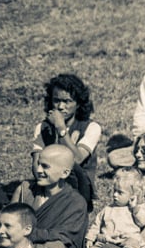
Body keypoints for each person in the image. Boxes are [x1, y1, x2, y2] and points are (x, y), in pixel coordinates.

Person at [10, 144, 89, 248]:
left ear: (64, 173)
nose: (38, 170)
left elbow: (64, 237)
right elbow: (7, 222)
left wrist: (24, 235)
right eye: (38, 164)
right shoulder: (25, 190)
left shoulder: (75, 202)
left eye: (45, 166)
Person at [33, 73, 102, 208]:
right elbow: (36, 166)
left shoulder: (92, 127)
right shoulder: (42, 127)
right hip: (47, 182)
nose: (60, 106)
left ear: (78, 104)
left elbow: (77, 159)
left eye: (67, 101)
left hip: (78, 187)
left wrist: (61, 128)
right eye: (56, 100)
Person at [85, 167, 145, 248]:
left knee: (133, 243)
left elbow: (143, 221)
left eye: (120, 192)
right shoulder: (108, 209)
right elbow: (96, 224)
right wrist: (90, 237)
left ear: (132, 196)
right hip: (107, 240)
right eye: (114, 191)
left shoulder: (135, 208)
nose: (115, 195)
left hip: (126, 238)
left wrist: (135, 208)